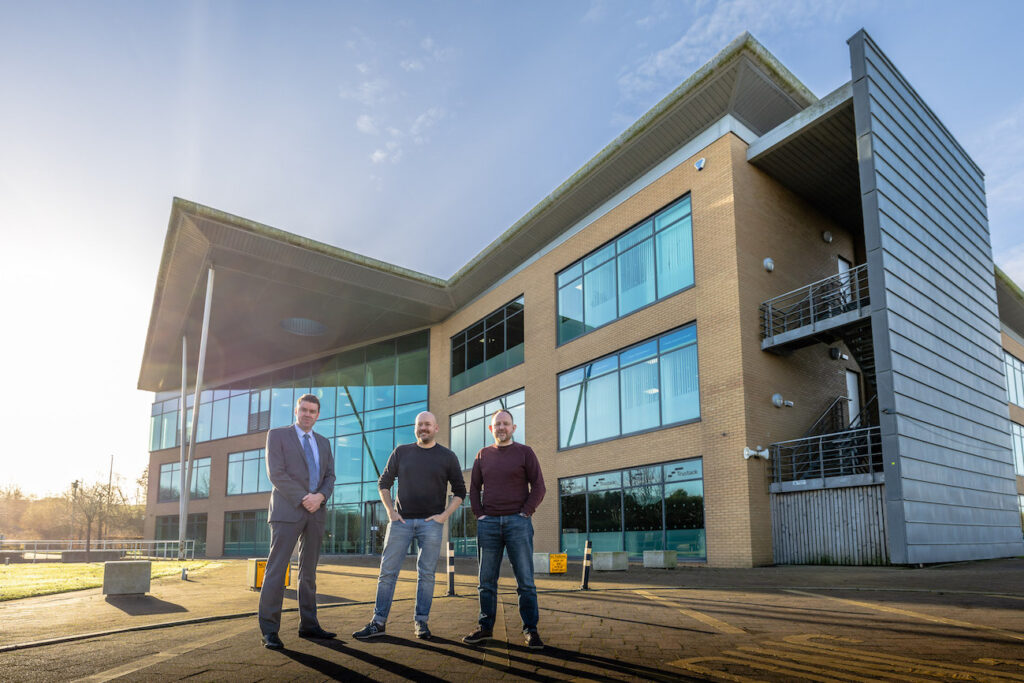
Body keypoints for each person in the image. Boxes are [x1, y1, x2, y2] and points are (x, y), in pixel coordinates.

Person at [352, 411, 466, 641]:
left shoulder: (448, 456)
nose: (423, 428)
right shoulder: (401, 452)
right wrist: (390, 511)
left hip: (431, 525)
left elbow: (460, 492)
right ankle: (378, 622)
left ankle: (421, 622)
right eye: (419, 424)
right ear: (415, 428)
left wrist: (443, 516)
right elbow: (384, 483)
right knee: (387, 573)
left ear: (436, 428)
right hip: (400, 523)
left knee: (426, 575)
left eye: (427, 424)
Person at [463, 409, 547, 650]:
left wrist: (525, 512)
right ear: (491, 429)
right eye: (497, 424)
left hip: (517, 523)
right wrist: (479, 514)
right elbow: (473, 489)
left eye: (505, 424)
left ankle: (531, 630)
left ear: (513, 428)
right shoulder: (482, 455)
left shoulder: (525, 452)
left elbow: (539, 486)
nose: (501, 427)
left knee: (526, 581)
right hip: (488, 524)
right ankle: (485, 627)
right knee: (486, 580)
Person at [257, 394, 336, 650]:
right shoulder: (277, 435)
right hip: (287, 511)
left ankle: (309, 625)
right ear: (296, 410)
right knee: (276, 571)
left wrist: (321, 496)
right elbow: (275, 473)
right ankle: (270, 630)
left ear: (318, 414)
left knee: (309, 572)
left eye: (313, 411)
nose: (308, 414)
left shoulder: (323, 442)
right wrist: (304, 498)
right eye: (304, 409)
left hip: (316, 513)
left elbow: (330, 476)